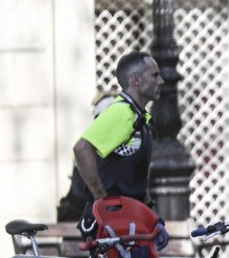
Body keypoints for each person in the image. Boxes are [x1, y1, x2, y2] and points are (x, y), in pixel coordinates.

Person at [69, 51, 163, 238]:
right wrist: (101, 197)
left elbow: (132, 176)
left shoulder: (139, 117)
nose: (161, 81)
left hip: (129, 222)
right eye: (155, 75)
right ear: (136, 80)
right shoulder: (121, 113)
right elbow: (81, 148)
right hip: (111, 225)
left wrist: (153, 215)